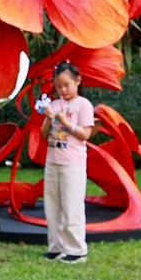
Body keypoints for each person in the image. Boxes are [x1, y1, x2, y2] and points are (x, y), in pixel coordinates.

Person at [39, 60, 96, 263]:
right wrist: (48, 119)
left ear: (77, 81)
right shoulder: (54, 105)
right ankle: (56, 247)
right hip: (53, 162)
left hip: (73, 164)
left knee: (72, 207)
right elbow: (44, 135)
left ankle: (77, 250)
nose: (63, 90)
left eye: (66, 85)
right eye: (58, 86)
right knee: (53, 207)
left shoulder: (83, 105)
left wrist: (65, 122)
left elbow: (86, 134)